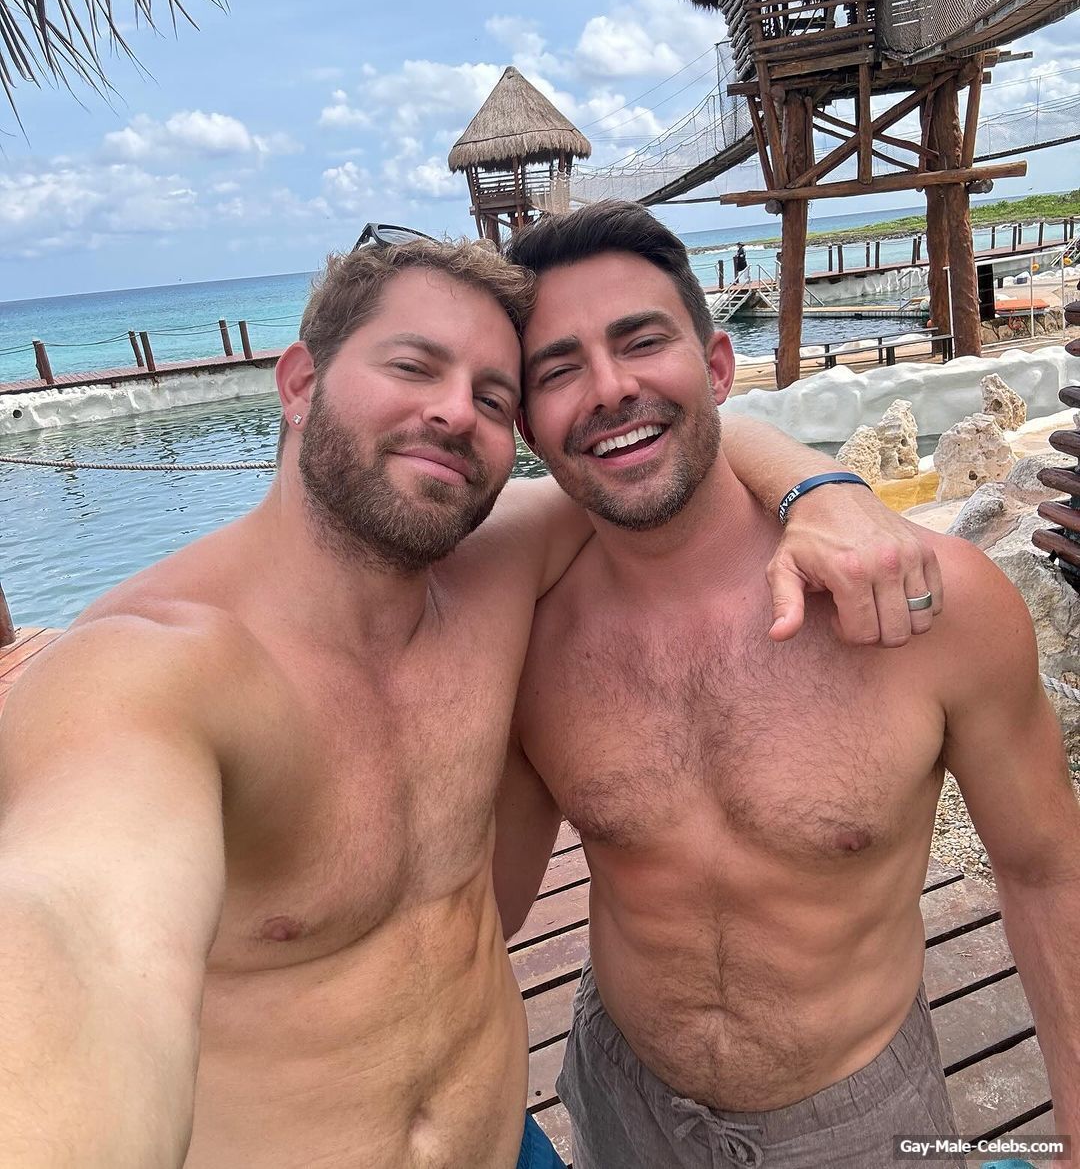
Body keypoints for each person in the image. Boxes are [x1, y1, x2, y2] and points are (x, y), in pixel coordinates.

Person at [0, 233, 943, 1169]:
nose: (456, 412)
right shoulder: (147, 667)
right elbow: (72, 933)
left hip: (507, 1141)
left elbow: (654, 431)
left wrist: (822, 487)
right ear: (299, 384)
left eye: (495, 398)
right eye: (414, 366)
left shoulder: (497, 574)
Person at [497, 200, 1080, 1169]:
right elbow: (476, 909)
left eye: (642, 342)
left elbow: (1046, 870)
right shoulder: (527, 630)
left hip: (857, 1117)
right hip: (622, 1089)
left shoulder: (936, 604)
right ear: (527, 423)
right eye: (558, 370)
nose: (609, 388)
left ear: (719, 368)